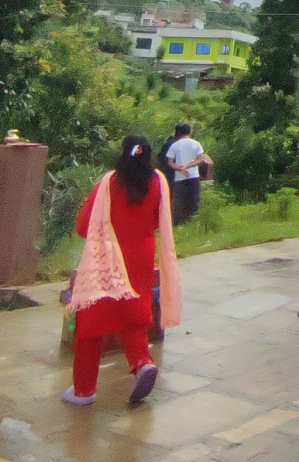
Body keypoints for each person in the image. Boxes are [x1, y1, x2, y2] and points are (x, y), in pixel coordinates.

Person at [65, 134, 184, 407]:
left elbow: (84, 226)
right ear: (148, 155)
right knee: (133, 311)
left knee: (92, 320)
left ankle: (83, 390)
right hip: (141, 255)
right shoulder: (158, 182)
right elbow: (159, 220)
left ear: (123, 153)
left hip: (106, 257)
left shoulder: (108, 183)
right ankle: (142, 363)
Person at [163, 122, 212, 226]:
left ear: (179, 132)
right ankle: (194, 222)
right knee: (194, 200)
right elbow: (200, 160)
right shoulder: (196, 144)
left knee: (178, 201)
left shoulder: (174, 145)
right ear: (190, 131)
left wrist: (180, 168)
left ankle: (177, 223)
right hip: (193, 176)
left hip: (179, 178)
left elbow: (170, 162)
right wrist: (188, 166)